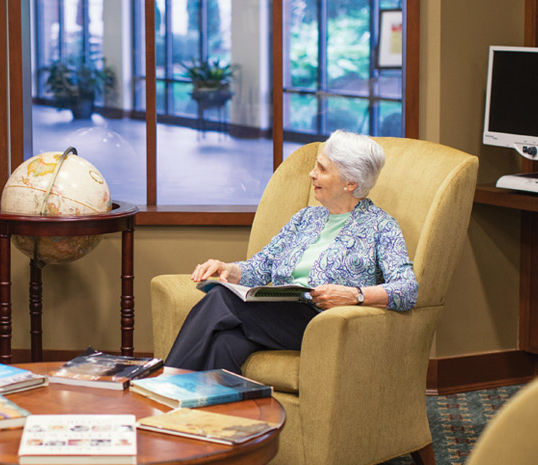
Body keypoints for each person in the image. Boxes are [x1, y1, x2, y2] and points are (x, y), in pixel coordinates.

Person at [166, 129, 418, 383]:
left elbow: (407, 289)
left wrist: (355, 295)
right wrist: (229, 269)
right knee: (225, 343)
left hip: (321, 321)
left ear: (350, 183)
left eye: (322, 168)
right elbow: (262, 266)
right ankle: (221, 421)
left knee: (220, 298)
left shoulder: (381, 226)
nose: (312, 174)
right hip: (277, 313)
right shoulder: (305, 218)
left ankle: (165, 387)